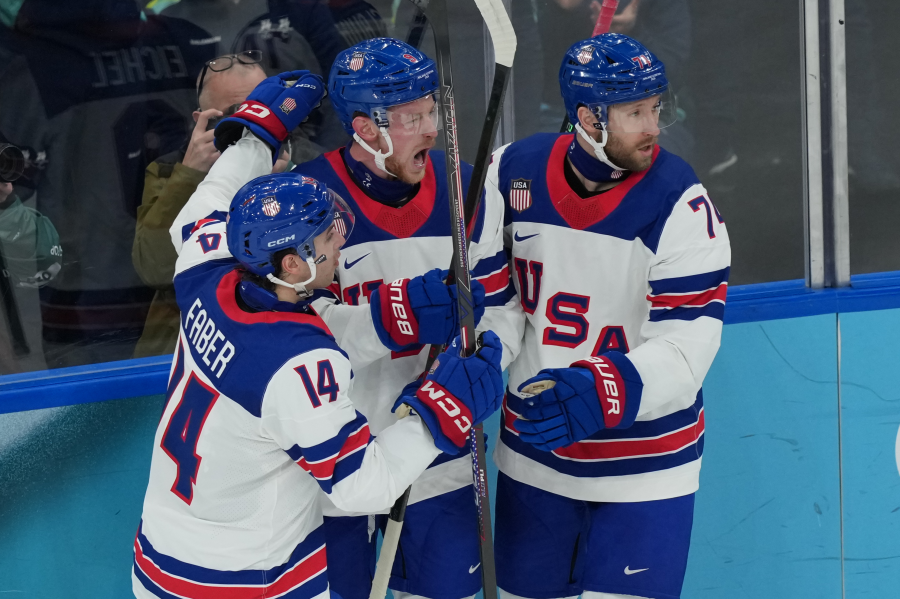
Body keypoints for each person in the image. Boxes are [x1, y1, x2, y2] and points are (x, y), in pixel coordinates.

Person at [132, 70, 506, 599]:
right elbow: (361, 485)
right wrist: (443, 411)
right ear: (291, 263)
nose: (340, 246)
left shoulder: (207, 267)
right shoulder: (301, 365)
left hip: (161, 556)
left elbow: (211, 198)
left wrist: (256, 136)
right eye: (330, 239)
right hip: (247, 579)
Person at [486, 34, 731, 599]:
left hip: (646, 468)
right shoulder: (511, 172)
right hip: (535, 455)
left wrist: (605, 388)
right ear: (589, 118)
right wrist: (481, 354)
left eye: (656, 109)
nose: (653, 127)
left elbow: (687, 349)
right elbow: (495, 299)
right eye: (634, 113)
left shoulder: (682, 204)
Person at [293, 39, 522, 599]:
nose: (433, 130)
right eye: (413, 119)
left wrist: (483, 361)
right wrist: (391, 318)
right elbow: (290, 342)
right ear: (366, 129)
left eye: (433, 111)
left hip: (437, 450)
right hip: (331, 462)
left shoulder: (469, 190)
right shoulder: (306, 202)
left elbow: (501, 309)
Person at [132, 52, 290, 358]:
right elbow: (153, 267)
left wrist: (277, 184)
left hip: (280, 345)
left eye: (263, 109)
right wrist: (189, 175)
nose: (253, 124)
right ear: (201, 120)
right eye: (237, 114)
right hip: (191, 347)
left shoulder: (311, 166)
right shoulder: (170, 174)